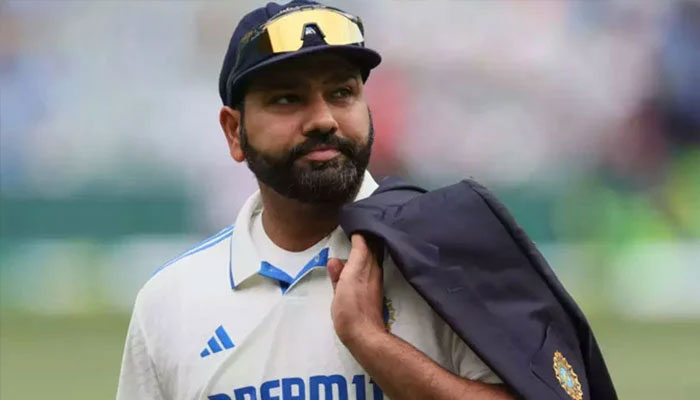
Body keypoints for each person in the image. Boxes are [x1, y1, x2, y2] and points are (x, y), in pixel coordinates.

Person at [117, 1, 515, 399]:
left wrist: (370, 340)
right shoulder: (169, 301)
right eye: (287, 98)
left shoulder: (449, 258)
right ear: (234, 131)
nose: (324, 119)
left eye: (342, 92)